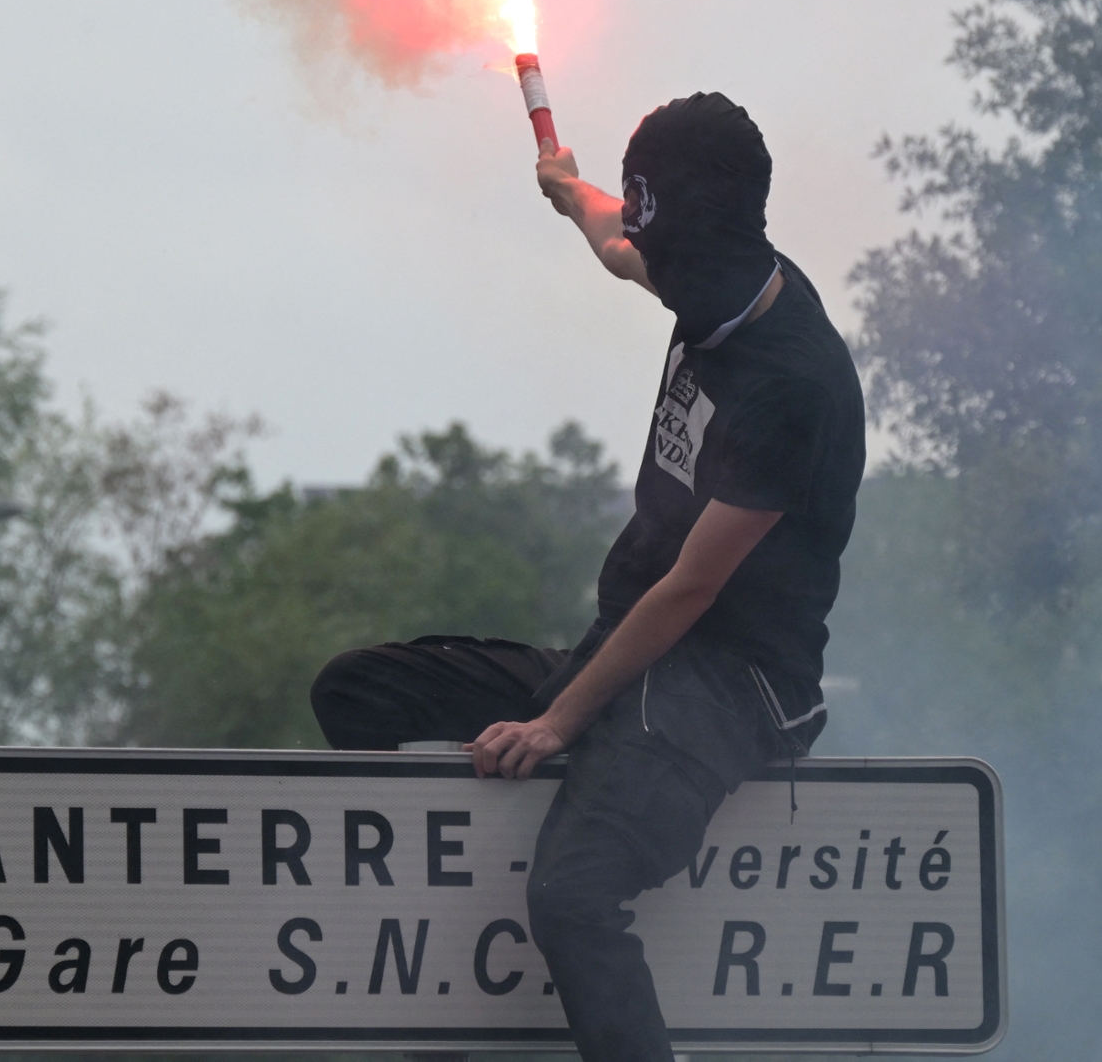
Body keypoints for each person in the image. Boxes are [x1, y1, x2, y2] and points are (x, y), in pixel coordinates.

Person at [309, 93, 867, 1062]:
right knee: (358, 693)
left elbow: (693, 589)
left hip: (731, 688)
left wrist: (558, 720)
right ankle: (555, 835)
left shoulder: (791, 385)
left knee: (569, 896)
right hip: (629, 654)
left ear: (706, 241)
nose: (643, 268)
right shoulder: (708, 269)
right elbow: (618, 242)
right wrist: (569, 190)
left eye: (661, 252)